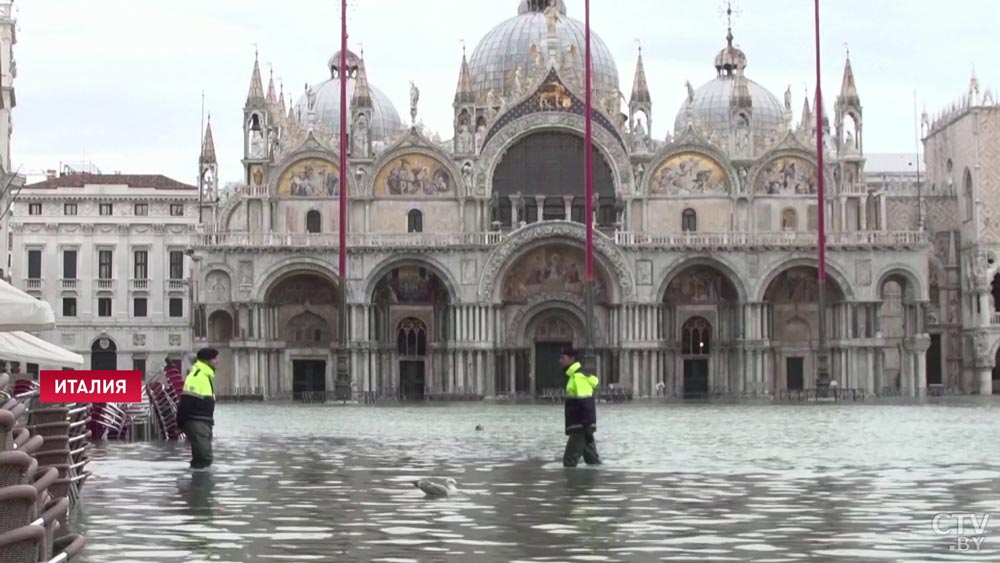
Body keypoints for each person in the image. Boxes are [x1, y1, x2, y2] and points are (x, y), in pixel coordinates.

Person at [176, 347, 219, 471]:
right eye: (214, 358)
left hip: (204, 423)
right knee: (204, 458)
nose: (217, 361)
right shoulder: (197, 376)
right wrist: (180, 424)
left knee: (201, 458)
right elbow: (186, 402)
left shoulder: (205, 376)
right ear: (207, 361)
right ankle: (200, 487)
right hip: (197, 423)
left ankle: (196, 486)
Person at [560, 348, 601, 467]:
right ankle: (591, 484)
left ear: (572, 359)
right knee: (592, 461)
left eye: (563, 358)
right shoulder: (575, 376)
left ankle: (574, 485)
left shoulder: (578, 377)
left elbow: (586, 402)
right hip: (583, 427)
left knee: (569, 461)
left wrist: (586, 427)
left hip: (580, 428)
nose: (560, 361)